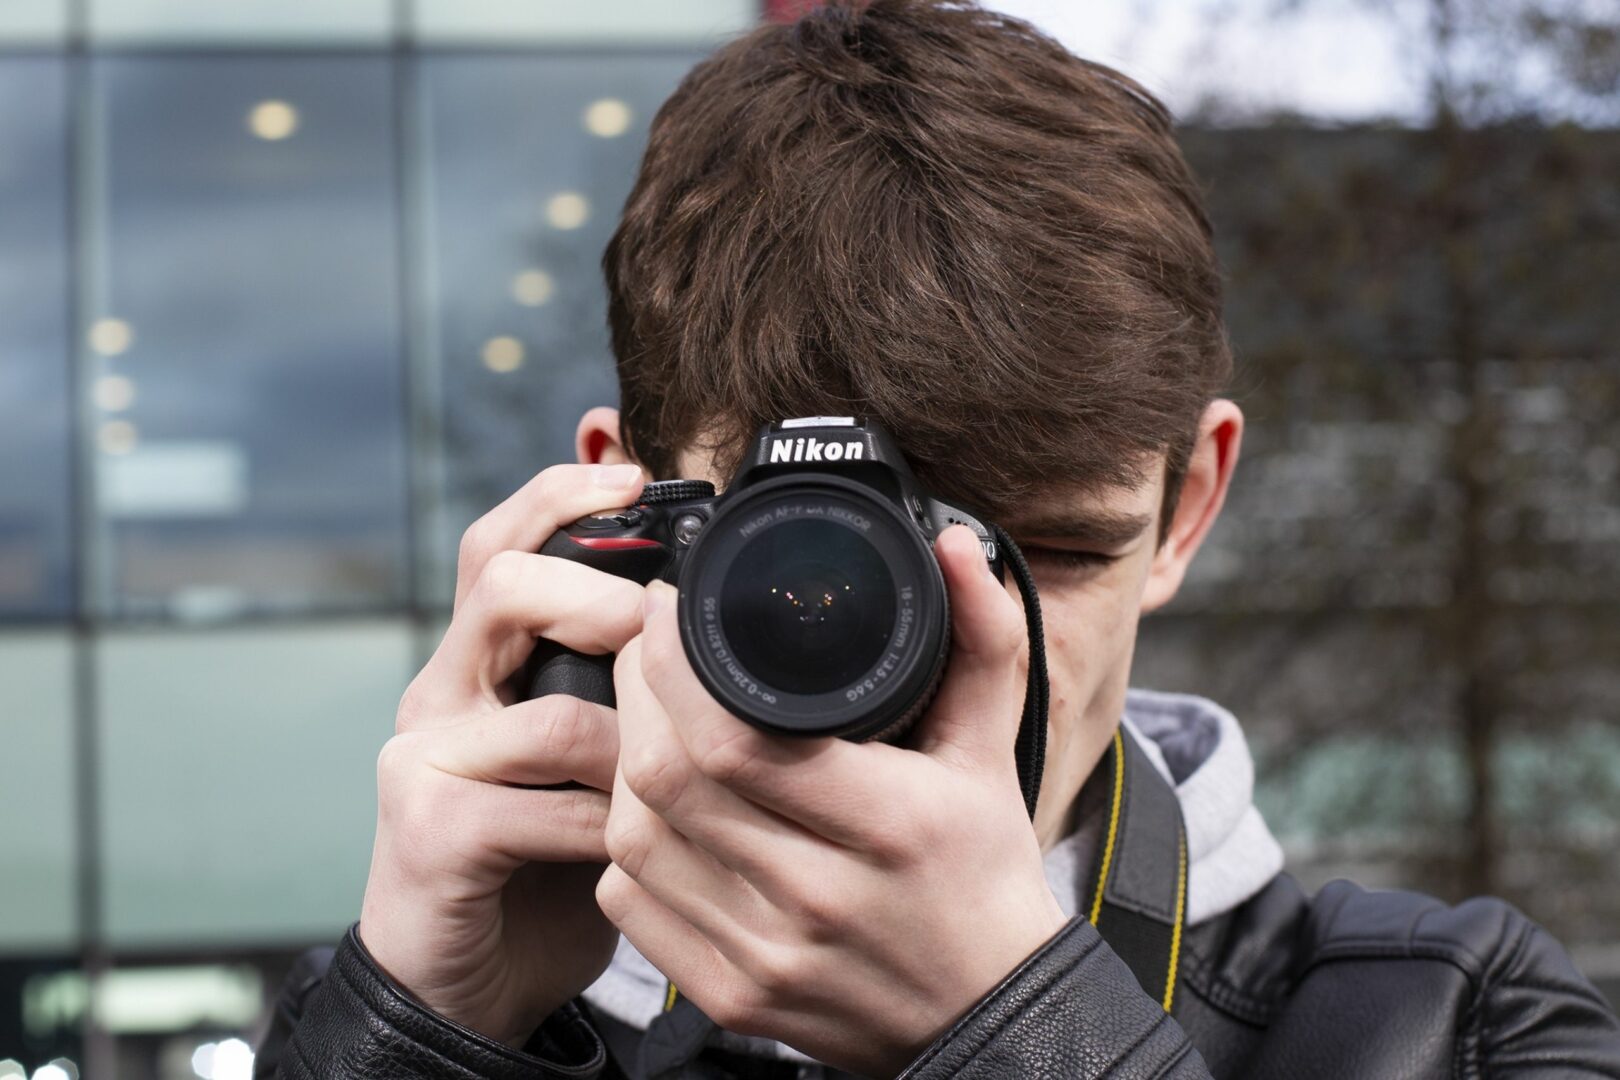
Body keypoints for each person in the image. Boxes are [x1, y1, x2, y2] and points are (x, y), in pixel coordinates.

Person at [254, 1, 1620, 1076]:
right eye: (817, 565)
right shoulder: (429, 1006)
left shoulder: (1457, 1026)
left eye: (1058, 556)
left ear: (1188, 507)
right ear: (620, 517)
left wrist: (1023, 1033)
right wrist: (430, 1035)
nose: (972, 648)